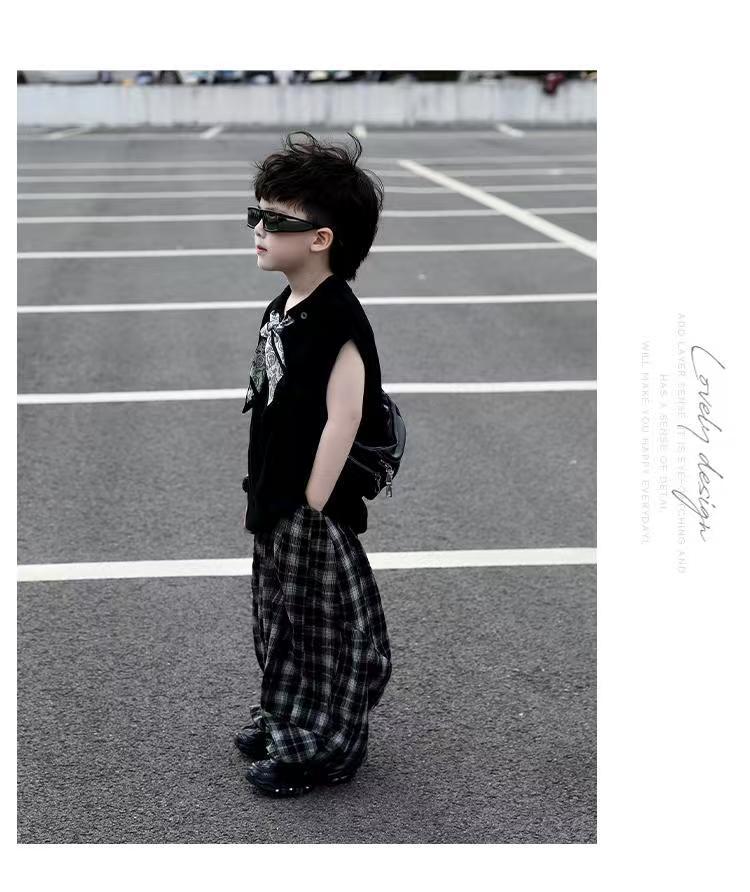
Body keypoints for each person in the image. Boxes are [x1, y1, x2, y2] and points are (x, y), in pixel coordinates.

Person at [236, 131, 393, 797]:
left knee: (322, 629)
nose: (258, 230)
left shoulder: (337, 318)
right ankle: (286, 715)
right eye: (256, 214)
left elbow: (346, 415)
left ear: (321, 239)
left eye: (275, 220)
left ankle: (327, 746)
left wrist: (313, 502)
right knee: (280, 620)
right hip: (276, 497)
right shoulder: (285, 306)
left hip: (310, 506)